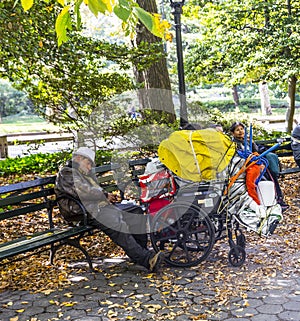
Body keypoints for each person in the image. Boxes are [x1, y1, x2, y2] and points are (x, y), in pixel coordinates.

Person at [54, 147, 164, 272]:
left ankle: (140, 253)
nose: (90, 167)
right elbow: (82, 191)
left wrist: (107, 196)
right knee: (116, 222)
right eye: (88, 163)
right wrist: (105, 195)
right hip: (82, 212)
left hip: (97, 207)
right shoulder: (66, 173)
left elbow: (93, 190)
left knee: (135, 211)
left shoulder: (82, 172)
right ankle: (146, 259)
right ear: (78, 158)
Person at [230, 122, 289, 211]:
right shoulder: (234, 144)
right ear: (233, 133)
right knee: (254, 181)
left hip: (256, 164)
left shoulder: (248, 140)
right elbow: (240, 157)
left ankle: (277, 199)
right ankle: (256, 203)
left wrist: (253, 144)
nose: (240, 131)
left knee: (270, 174)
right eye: (237, 130)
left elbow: (256, 151)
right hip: (244, 167)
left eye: (241, 129)